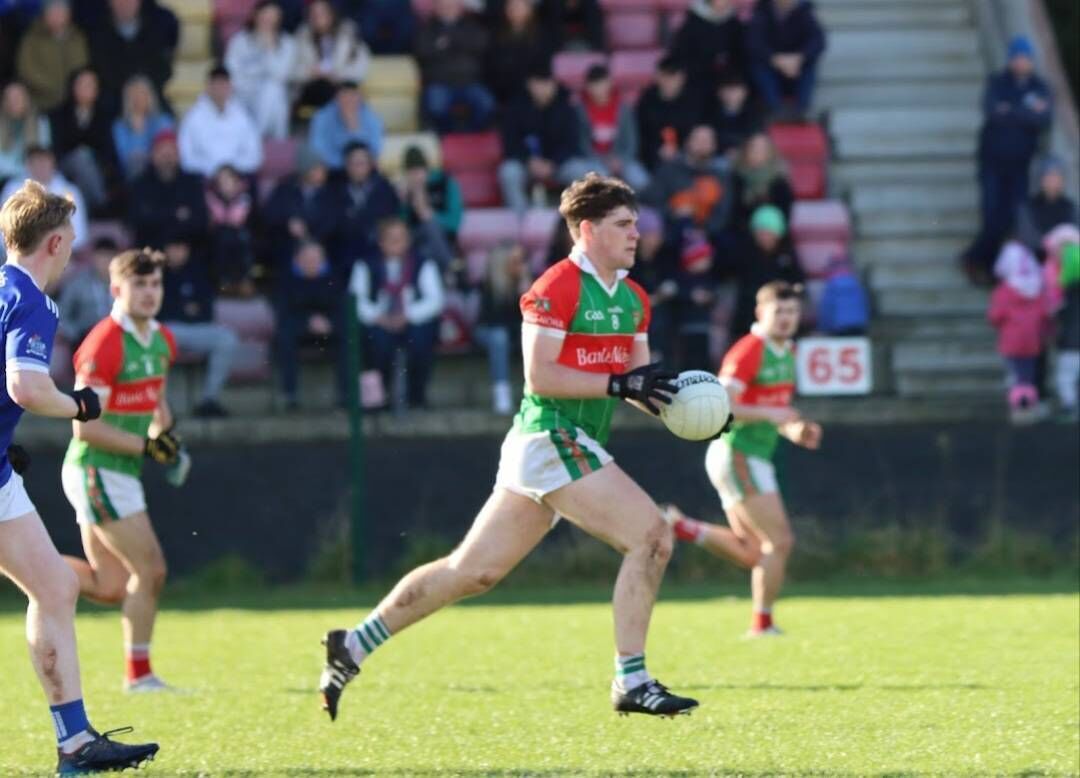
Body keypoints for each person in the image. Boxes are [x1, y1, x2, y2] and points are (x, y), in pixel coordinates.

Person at [320, 173, 700, 720]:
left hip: (564, 446)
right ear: (587, 230)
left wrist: (689, 412)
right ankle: (632, 680)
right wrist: (621, 384)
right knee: (653, 537)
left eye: (636, 224)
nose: (637, 234)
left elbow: (641, 385)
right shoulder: (554, 287)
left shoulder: (636, 299)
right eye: (624, 225)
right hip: (549, 436)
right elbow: (541, 376)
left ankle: (352, 645)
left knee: (472, 572)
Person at [0, 180, 160, 773]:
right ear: (58, 243)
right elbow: (27, 386)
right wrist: (81, 405)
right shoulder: (33, 302)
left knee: (57, 587)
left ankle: (75, 744)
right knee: (54, 589)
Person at [60, 248, 186, 693]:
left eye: (155, 284)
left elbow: (156, 402)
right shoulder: (104, 343)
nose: (150, 293)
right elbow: (84, 430)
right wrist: (149, 446)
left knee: (109, 585)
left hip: (119, 472)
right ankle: (140, 677)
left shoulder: (162, 339)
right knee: (150, 571)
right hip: (96, 469)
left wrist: (167, 439)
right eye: (140, 285)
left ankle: (16, 558)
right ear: (116, 289)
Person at [664, 280, 820, 637]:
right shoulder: (749, 350)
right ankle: (762, 625)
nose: (786, 318)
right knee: (779, 542)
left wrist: (793, 429)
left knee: (755, 551)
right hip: (737, 453)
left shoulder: (788, 352)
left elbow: (774, 410)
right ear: (759, 313)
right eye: (778, 311)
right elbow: (720, 405)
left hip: (752, 456)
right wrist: (771, 415)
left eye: (792, 311)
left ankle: (681, 526)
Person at [966, 35, 1053, 280]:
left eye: (1025, 57)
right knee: (992, 212)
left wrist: (1011, 111)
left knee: (1015, 214)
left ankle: (983, 262)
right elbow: (993, 112)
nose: (1022, 62)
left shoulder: (1039, 87)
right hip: (992, 161)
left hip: (1020, 164)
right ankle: (980, 261)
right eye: (1017, 57)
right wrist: (1024, 113)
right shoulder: (998, 82)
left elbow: (1043, 118)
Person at [349, 216, 444, 409]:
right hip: (379, 322)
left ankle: (416, 397)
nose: (395, 242)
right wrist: (378, 316)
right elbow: (355, 300)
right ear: (381, 241)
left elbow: (435, 300)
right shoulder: (365, 264)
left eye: (400, 237)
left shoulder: (423, 263)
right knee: (376, 342)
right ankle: (378, 399)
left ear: (408, 240)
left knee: (420, 340)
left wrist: (408, 315)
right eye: (390, 237)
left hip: (411, 322)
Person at [159, 240, 238, 418]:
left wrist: (180, 309)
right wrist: (185, 309)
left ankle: (209, 400)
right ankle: (159, 404)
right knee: (158, 336)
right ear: (166, 250)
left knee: (227, 338)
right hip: (169, 330)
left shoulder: (198, 272)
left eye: (181, 248)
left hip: (198, 329)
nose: (177, 252)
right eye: (174, 247)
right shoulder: (158, 273)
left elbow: (207, 311)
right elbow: (158, 311)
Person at [497, 61, 587, 214]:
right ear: (530, 84)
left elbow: (572, 143)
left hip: (558, 164)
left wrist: (553, 163)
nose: (544, 87)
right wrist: (528, 160)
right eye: (539, 83)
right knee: (508, 172)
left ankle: (575, 217)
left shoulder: (566, 107)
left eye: (548, 82)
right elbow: (510, 143)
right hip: (526, 164)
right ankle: (522, 222)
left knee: (582, 172)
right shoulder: (515, 107)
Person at [274, 239, 348, 410]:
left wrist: (327, 322)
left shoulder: (334, 278)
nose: (312, 263)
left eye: (317, 259)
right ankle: (290, 395)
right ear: (297, 260)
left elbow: (341, 307)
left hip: (329, 328)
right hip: (298, 328)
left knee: (349, 336)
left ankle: (345, 395)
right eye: (307, 259)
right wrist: (309, 320)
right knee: (285, 336)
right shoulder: (286, 279)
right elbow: (282, 311)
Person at [989, 238, 1052, 424]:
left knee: (1016, 376)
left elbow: (995, 316)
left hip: (1010, 342)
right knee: (1028, 376)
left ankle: (1017, 409)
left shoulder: (1003, 291)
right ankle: (1029, 407)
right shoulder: (1038, 288)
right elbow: (1044, 314)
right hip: (1032, 341)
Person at [414, 0, 494, 133]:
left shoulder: (472, 25)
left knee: (486, 103)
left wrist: (447, 43)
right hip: (440, 83)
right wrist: (458, 44)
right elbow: (422, 50)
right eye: (443, 6)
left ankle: (470, 134)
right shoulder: (428, 27)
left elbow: (481, 44)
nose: (447, 9)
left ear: (459, 7)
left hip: (470, 82)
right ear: (436, 8)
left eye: (451, 5)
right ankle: (449, 135)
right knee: (436, 106)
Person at [89, 0, 177, 119]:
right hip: (112, 101)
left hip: (150, 95)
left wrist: (141, 88)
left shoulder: (158, 26)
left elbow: (163, 67)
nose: (125, 4)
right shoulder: (98, 32)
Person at [127, 128, 208, 253]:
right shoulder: (140, 185)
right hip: (152, 251)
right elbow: (138, 221)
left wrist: (180, 244)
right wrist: (176, 214)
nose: (167, 158)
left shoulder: (192, 183)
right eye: (162, 152)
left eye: (171, 152)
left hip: (188, 251)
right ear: (152, 154)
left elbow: (201, 221)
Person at [48, 67, 117, 213]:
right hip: (65, 166)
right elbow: (56, 148)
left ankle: (84, 211)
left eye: (90, 85)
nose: (86, 89)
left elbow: (109, 152)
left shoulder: (105, 116)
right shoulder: (59, 114)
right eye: (81, 84)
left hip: (96, 171)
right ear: (72, 87)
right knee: (80, 158)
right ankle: (101, 204)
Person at [225, 0, 297, 139]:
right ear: (255, 16)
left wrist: (269, 49)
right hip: (243, 94)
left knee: (271, 89)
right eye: (264, 16)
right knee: (268, 92)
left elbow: (280, 76)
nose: (267, 21)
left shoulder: (288, 44)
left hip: (273, 99)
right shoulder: (240, 41)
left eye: (272, 17)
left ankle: (255, 137)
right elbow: (231, 73)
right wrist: (252, 85)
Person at [290, 0, 372, 124]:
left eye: (322, 12)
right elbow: (291, 70)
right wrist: (311, 72)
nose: (318, 17)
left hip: (341, 85)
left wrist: (335, 75)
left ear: (331, 13)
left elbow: (361, 65)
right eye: (313, 13)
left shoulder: (348, 33)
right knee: (326, 90)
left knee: (346, 94)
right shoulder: (301, 36)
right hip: (311, 87)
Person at [474, 241, 531, 414]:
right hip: (488, 330)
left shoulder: (529, 283)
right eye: (515, 261)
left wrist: (526, 294)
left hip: (515, 332)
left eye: (522, 260)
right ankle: (501, 392)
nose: (520, 265)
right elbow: (494, 319)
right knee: (499, 337)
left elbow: (536, 319)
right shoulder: (489, 285)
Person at [644, 124, 731, 238]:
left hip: (708, 235)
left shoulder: (721, 177)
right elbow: (651, 201)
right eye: (698, 139)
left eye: (707, 140)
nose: (702, 144)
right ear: (688, 142)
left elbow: (723, 213)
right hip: (671, 231)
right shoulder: (669, 170)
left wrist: (704, 231)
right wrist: (673, 212)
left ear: (714, 146)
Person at [328, 141, 400, 275]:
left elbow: (389, 221)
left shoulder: (384, 188)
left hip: (376, 249)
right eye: (353, 163)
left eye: (362, 163)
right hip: (344, 250)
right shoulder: (334, 189)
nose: (358, 168)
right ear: (346, 165)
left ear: (370, 164)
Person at [177, 65, 263, 179]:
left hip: (237, 177)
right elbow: (186, 156)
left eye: (224, 84)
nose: (220, 89)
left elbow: (254, 155)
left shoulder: (243, 116)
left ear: (230, 87)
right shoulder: (193, 117)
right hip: (204, 177)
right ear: (208, 86)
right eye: (216, 84)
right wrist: (214, 171)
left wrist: (230, 171)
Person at [729, 204, 803, 336]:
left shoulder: (786, 255)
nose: (765, 237)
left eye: (769, 233)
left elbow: (797, 280)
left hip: (779, 310)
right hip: (749, 314)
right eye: (761, 233)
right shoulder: (746, 254)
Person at [574, 64, 650, 192]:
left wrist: (621, 160)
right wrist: (602, 160)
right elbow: (582, 143)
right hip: (594, 160)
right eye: (594, 85)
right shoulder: (581, 111)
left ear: (609, 83)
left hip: (623, 159)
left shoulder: (623, 109)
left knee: (641, 180)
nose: (598, 89)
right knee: (600, 182)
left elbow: (632, 141)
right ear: (587, 86)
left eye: (601, 84)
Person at [262, 145, 338, 272]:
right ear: (306, 170)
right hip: (289, 242)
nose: (323, 171)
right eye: (317, 168)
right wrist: (288, 223)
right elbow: (269, 214)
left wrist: (311, 238)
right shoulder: (285, 188)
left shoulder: (331, 192)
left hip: (321, 242)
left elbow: (334, 221)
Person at [1, 145, 89, 254]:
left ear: (53, 163)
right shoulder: (13, 189)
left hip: (62, 255)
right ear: (28, 165)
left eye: (44, 161)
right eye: (35, 162)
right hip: (20, 253)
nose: (40, 167)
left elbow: (78, 234)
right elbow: (5, 228)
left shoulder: (70, 191)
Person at [746, 0, 826, 118]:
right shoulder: (761, 11)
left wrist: (799, 58)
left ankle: (802, 109)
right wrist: (776, 60)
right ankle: (774, 108)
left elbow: (818, 41)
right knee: (757, 65)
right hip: (771, 68)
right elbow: (753, 43)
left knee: (810, 65)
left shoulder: (804, 12)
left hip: (796, 68)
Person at [15, 0, 89, 113]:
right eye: (53, 11)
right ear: (45, 14)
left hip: (72, 107)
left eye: (61, 11)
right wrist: (54, 88)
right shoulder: (32, 38)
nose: (57, 15)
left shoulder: (77, 38)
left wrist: (71, 90)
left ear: (69, 14)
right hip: (41, 104)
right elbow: (26, 70)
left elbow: (82, 66)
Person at [635, 56, 704, 172]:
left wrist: (680, 149)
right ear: (657, 77)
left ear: (682, 78)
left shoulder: (693, 101)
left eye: (674, 77)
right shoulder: (646, 100)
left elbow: (696, 131)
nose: (669, 82)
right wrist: (657, 149)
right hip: (651, 158)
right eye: (665, 76)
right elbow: (640, 134)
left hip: (687, 155)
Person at [668, 0, 745, 101]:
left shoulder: (733, 21)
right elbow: (680, 52)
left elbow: (739, 51)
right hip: (697, 77)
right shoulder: (693, 21)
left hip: (725, 77)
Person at [484, 0, 556, 105]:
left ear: (529, 10)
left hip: (530, 87)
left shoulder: (541, 36)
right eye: (511, 7)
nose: (514, 10)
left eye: (518, 7)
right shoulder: (496, 34)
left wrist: (538, 83)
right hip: (500, 87)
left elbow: (543, 66)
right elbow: (493, 66)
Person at [308, 80, 384, 169]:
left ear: (360, 98)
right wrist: (344, 165)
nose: (349, 101)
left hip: (361, 168)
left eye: (353, 97)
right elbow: (317, 149)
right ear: (336, 98)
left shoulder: (371, 118)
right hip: (332, 168)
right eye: (345, 96)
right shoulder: (322, 117)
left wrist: (354, 129)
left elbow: (375, 149)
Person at [729, 131, 793, 235]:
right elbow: (733, 214)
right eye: (754, 148)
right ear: (746, 152)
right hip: (742, 233)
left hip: (773, 235)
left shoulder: (779, 182)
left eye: (763, 149)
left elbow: (784, 216)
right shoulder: (736, 179)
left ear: (771, 152)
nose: (758, 152)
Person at [111, 74, 174, 181]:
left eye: (143, 93)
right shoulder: (120, 126)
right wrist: (137, 131)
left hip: (162, 169)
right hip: (134, 174)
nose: (139, 98)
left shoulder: (164, 121)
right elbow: (124, 158)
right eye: (134, 95)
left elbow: (169, 148)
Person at [205, 164, 256, 295]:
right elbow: (217, 219)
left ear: (237, 182)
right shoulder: (211, 198)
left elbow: (236, 219)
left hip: (240, 236)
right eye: (221, 181)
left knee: (239, 239)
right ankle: (224, 280)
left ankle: (243, 279)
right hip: (218, 236)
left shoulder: (245, 197)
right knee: (223, 239)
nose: (225, 184)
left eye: (229, 180)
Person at [58, 236, 115, 348]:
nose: (105, 263)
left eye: (109, 257)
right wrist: (74, 333)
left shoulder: (125, 284)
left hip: (118, 336)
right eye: (101, 257)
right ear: (93, 257)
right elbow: (61, 313)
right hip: (84, 337)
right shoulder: (78, 283)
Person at [399, 144, 463, 246]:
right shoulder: (406, 190)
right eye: (411, 173)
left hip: (445, 240)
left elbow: (454, 223)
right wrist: (403, 203)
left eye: (418, 171)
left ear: (426, 169)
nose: (415, 177)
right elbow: (401, 226)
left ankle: (449, 261)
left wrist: (431, 217)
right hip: (414, 242)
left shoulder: (445, 183)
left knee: (430, 227)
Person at [1016, 156, 1078, 257]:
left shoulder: (1070, 207)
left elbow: (1075, 234)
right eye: (1049, 176)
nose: (1053, 181)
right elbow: (1027, 237)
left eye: (1057, 177)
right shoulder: (1028, 206)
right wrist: (1050, 244)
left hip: (1062, 259)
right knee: (1013, 252)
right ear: (1041, 179)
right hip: (1035, 258)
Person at [0, 81, 51, 186]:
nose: (13, 102)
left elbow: (44, 154)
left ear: (26, 99)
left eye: (18, 97)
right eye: (9, 98)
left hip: (34, 177)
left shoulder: (41, 122)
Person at [707, 70, 761, 158]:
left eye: (736, 89)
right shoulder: (709, 113)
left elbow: (755, 137)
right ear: (719, 93)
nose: (732, 94)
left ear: (745, 92)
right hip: (715, 157)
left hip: (747, 157)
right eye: (728, 89)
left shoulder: (755, 113)